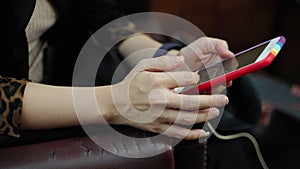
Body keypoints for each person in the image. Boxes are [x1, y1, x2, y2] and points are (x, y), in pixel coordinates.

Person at [0, 0, 233, 140]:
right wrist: (116, 103)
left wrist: (171, 59)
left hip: (61, 80)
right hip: (26, 118)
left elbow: (105, 16)